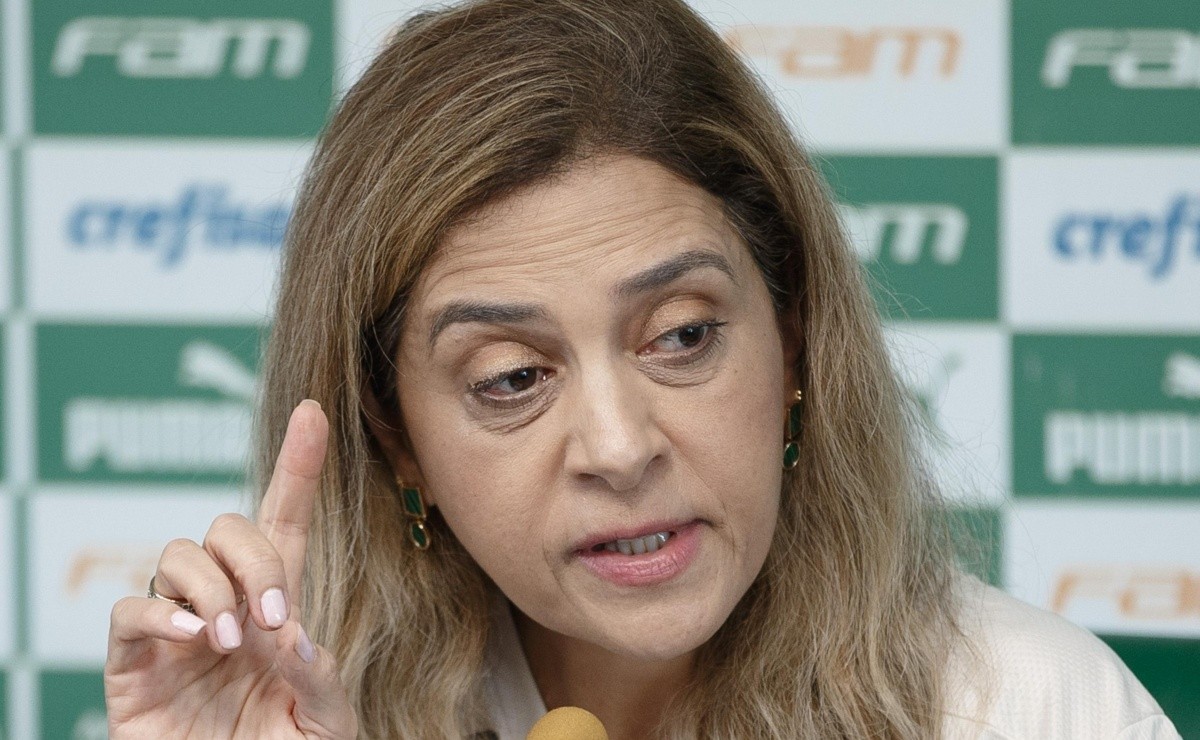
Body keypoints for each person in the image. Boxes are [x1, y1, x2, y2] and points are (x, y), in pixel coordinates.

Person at [103, 0, 1180, 738]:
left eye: (682, 336)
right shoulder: (298, 710)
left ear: (794, 338)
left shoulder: (1036, 710)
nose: (620, 448)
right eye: (513, 377)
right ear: (399, 440)